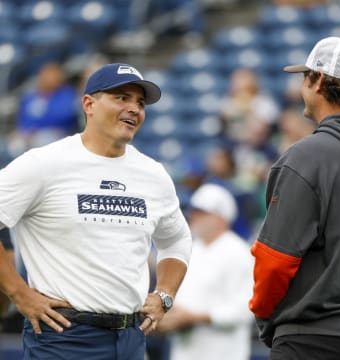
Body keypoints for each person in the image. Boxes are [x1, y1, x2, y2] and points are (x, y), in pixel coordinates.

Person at [0, 63, 192, 359]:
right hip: (64, 337)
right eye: (121, 98)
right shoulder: (43, 164)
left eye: (140, 103)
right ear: (89, 104)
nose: (134, 109)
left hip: (131, 337)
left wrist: (164, 295)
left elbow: (177, 240)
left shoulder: (153, 174)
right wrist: (19, 294)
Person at [248, 36, 340, 359]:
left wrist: (266, 319)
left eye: (304, 76)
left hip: (311, 338)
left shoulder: (306, 156)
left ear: (319, 81)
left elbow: (274, 261)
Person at [158, 183, 254, 360]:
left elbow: (245, 309)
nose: (193, 216)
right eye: (193, 211)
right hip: (184, 352)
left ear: (221, 217)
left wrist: (195, 317)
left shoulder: (238, 252)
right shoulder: (191, 249)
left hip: (223, 353)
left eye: (201, 212)